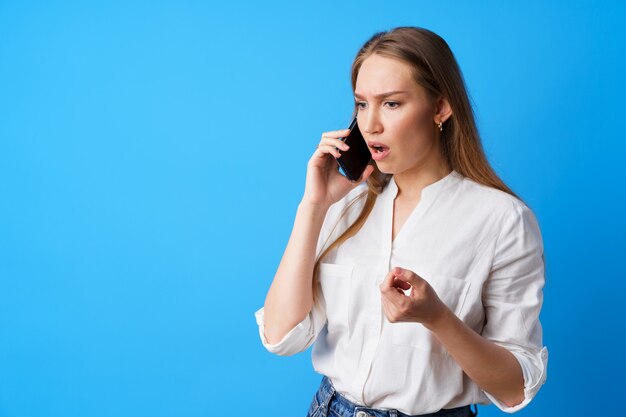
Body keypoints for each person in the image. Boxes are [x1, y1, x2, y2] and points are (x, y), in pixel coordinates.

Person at [254, 26, 548, 417]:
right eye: (361, 104)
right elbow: (280, 337)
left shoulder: (502, 220)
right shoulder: (345, 204)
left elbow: (514, 388)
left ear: (440, 107)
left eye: (391, 104)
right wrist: (313, 206)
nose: (370, 124)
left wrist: (437, 317)